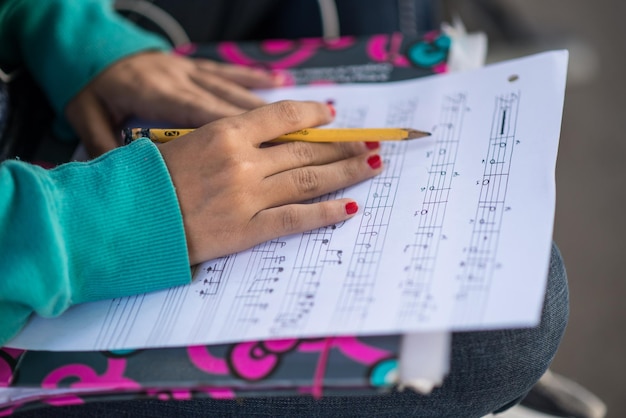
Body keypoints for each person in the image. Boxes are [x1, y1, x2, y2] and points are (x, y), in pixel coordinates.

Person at [0, 1, 569, 417]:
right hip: (33, 285)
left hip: (37, 91)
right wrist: (109, 220)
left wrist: (64, 29)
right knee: (506, 325)